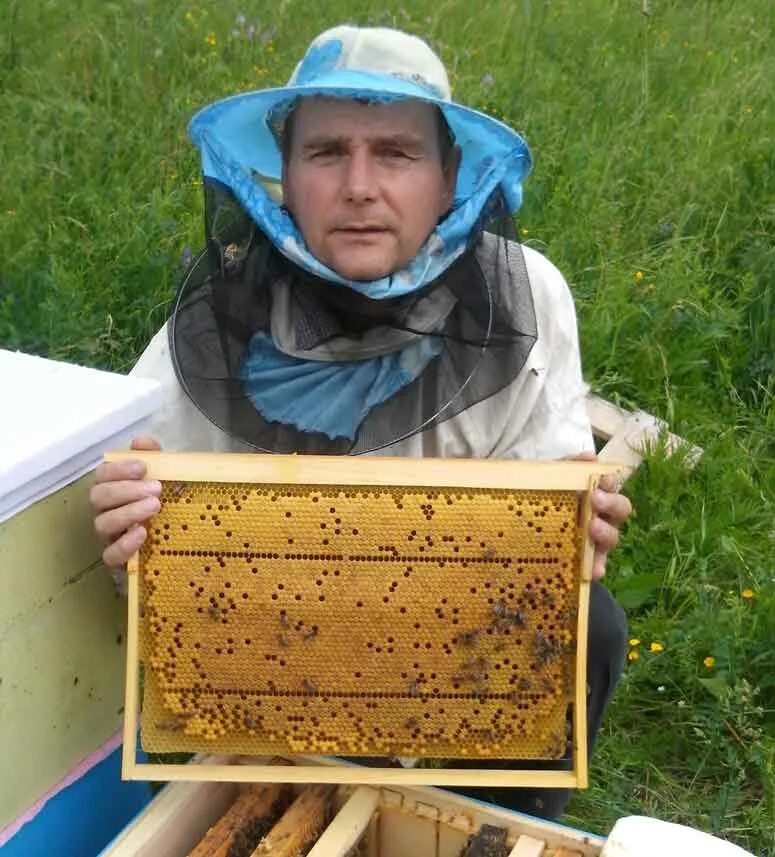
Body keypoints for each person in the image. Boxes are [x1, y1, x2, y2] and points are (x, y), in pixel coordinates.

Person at [90, 25, 630, 818]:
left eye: (396, 153)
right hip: (285, 657)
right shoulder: (216, 324)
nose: (358, 185)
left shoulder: (527, 295)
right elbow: (131, 543)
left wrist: (575, 521)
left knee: (589, 625)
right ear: (282, 175)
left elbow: (555, 493)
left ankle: (483, 819)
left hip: (464, 645)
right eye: (326, 152)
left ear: (450, 177)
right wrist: (120, 526)